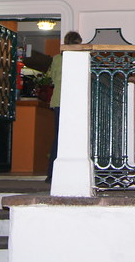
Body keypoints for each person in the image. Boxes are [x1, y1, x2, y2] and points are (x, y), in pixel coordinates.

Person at [45, 31, 82, 182]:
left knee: (59, 138)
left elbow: (51, 78)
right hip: (74, 102)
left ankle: (51, 173)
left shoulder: (56, 59)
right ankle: (72, 171)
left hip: (58, 101)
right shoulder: (80, 58)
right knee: (75, 137)